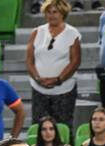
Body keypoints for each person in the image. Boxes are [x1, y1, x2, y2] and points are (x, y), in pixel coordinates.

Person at [27, 0, 83, 130]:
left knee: (63, 127)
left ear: (63, 13)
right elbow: (29, 60)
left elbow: (75, 62)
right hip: (38, 88)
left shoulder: (72, 33)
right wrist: (37, 78)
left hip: (64, 90)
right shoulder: (37, 32)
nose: (51, 15)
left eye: (55, 12)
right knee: (39, 127)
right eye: (48, 12)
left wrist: (58, 79)